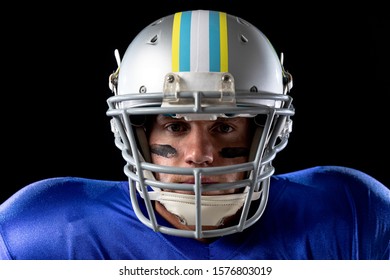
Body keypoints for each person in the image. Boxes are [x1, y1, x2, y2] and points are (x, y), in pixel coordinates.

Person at [0, 10, 389, 260]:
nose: (200, 154)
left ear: (267, 133)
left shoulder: (352, 215)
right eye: (175, 125)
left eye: (224, 127)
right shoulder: (41, 232)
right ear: (136, 132)